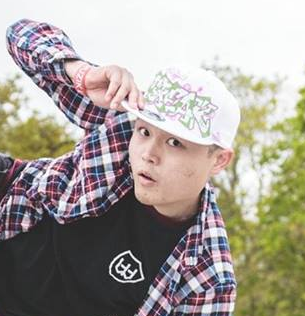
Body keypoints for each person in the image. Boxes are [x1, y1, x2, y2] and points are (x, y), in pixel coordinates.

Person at [0, 19, 240, 316]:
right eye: (145, 132)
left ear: (218, 160)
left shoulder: (208, 277)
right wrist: (81, 73)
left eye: (175, 143)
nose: (149, 154)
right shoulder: (118, 127)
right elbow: (20, 34)